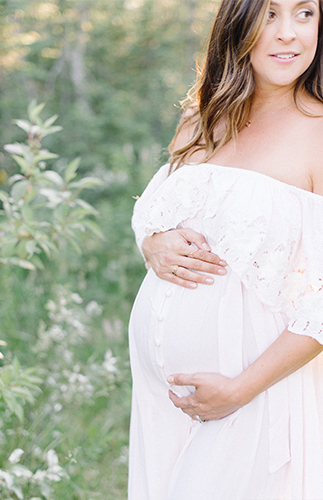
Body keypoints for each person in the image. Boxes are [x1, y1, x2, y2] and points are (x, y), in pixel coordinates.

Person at [128, 0, 323, 498]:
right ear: (239, 20)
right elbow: (155, 211)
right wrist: (153, 243)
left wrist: (239, 391)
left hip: (256, 397)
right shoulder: (203, 118)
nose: (288, 34)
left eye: (306, 13)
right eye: (271, 13)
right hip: (162, 401)